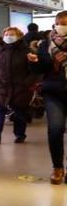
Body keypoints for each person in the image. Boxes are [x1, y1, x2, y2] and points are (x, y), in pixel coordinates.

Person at [28, 11, 67, 184]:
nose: (61, 26)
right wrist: (33, 61)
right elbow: (39, 70)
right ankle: (57, 167)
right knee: (55, 129)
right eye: (59, 22)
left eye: (65, 23)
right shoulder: (45, 44)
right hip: (53, 91)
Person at [0, 27, 34, 144]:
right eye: (6, 34)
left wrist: (27, 82)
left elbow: (34, 71)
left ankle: (20, 135)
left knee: (19, 112)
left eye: (11, 34)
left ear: (19, 36)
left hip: (20, 87)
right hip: (3, 85)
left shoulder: (26, 51)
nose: (8, 36)